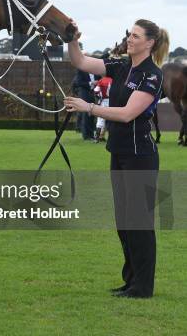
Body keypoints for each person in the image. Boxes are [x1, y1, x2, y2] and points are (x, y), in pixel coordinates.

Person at [64, 19, 169, 299]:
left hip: (141, 156)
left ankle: (143, 287)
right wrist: (72, 39)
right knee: (123, 222)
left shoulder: (152, 75)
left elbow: (126, 114)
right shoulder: (121, 66)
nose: (130, 39)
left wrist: (89, 107)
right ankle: (131, 280)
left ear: (149, 43)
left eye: (135, 36)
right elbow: (81, 62)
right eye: (129, 34)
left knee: (138, 222)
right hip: (120, 153)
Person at [72, 69, 96, 140]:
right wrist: (91, 83)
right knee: (86, 114)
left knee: (91, 114)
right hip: (84, 93)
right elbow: (79, 82)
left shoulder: (96, 72)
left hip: (92, 93)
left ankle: (90, 134)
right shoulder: (81, 71)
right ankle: (86, 135)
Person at [93, 76, 112, 142]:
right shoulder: (114, 79)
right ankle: (111, 138)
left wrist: (99, 96)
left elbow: (96, 91)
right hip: (113, 101)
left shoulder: (101, 80)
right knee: (112, 119)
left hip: (104, 101)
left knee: (100, 119)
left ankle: (97, 138)